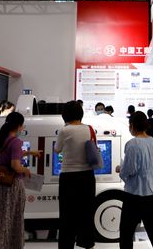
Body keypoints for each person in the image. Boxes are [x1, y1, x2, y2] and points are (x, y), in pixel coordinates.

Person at [0, 111, 42, 249]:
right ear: (18, 126)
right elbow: (15, 166)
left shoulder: (1, 139)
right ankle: (9, 244)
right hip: (13, 185)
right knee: (11, 217)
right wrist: (26, 170)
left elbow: (10, 154)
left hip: (0, 184)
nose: (22, 129)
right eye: (22, 126)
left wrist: (30, 152)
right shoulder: (16, 142)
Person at [116, 111, 153, 249]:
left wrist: (120, 169)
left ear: (132, 125)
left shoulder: (132, 144)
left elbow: (129, 170)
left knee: (126, 231)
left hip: (135, 193)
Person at [55, 100, 96, 249]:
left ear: (65, 115)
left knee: (67, 215)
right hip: (87, 176)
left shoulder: (64, 130)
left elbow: (57, 150)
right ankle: (86, 242)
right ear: (81, 113)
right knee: (86, 212)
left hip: (68, 177)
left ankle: (66, 245)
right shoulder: (90, 129)